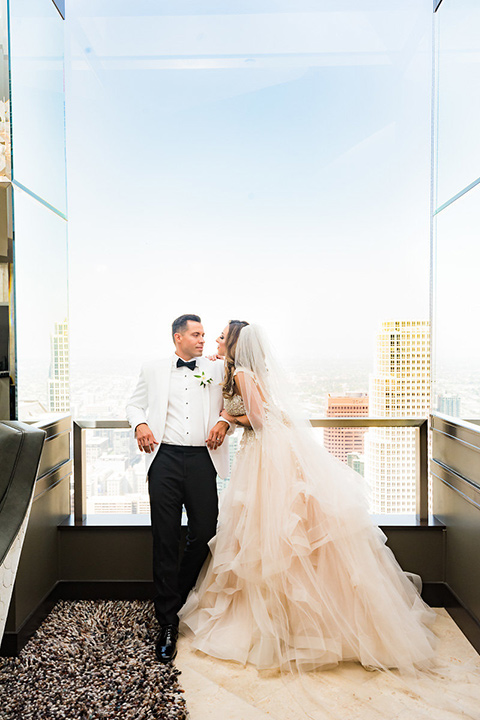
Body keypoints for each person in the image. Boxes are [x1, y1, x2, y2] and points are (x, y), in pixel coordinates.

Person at [179, 321, 437, 675]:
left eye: (222, 336)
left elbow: (258, 417)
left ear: (236, 343)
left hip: (264, 450)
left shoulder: (240, 372)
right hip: (274, 447)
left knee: (269, 528)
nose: (216, 340)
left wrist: (228, 418)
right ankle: (301, 620)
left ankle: (281, 624)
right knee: (284, 528)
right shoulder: (244, 369)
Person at [126, 314, 231, 663]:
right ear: (178, 337)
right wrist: (140, 423)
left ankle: (179, 593)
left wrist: (223, 420)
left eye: (204, 334)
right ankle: (167, 622)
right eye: (196, 334)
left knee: (204, 533)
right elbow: (134, 403)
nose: (202, 339)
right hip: (165, 460)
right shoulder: (153, 368)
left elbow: (234, 401)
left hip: (204, 460)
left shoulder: (216, 368)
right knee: (165, 537)